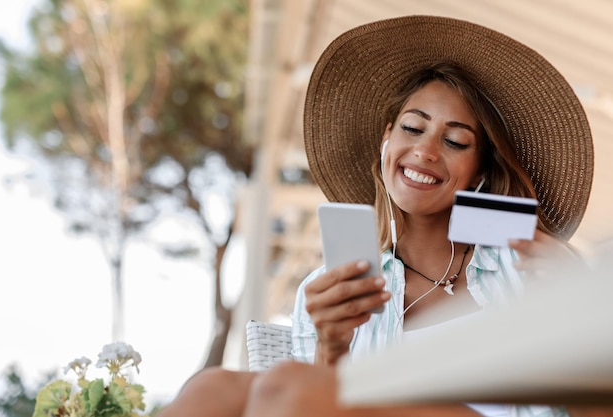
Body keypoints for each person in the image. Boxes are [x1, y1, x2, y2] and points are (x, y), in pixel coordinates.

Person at [157, 15, 602, 417]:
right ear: (386, 139)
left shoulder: (528, 266)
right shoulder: (330, 288)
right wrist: (332, 349)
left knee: (288, 387)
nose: (425, 151)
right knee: (212, 388)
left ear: (480, 170)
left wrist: (581, 317)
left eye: (456, 141)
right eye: (412, 127)